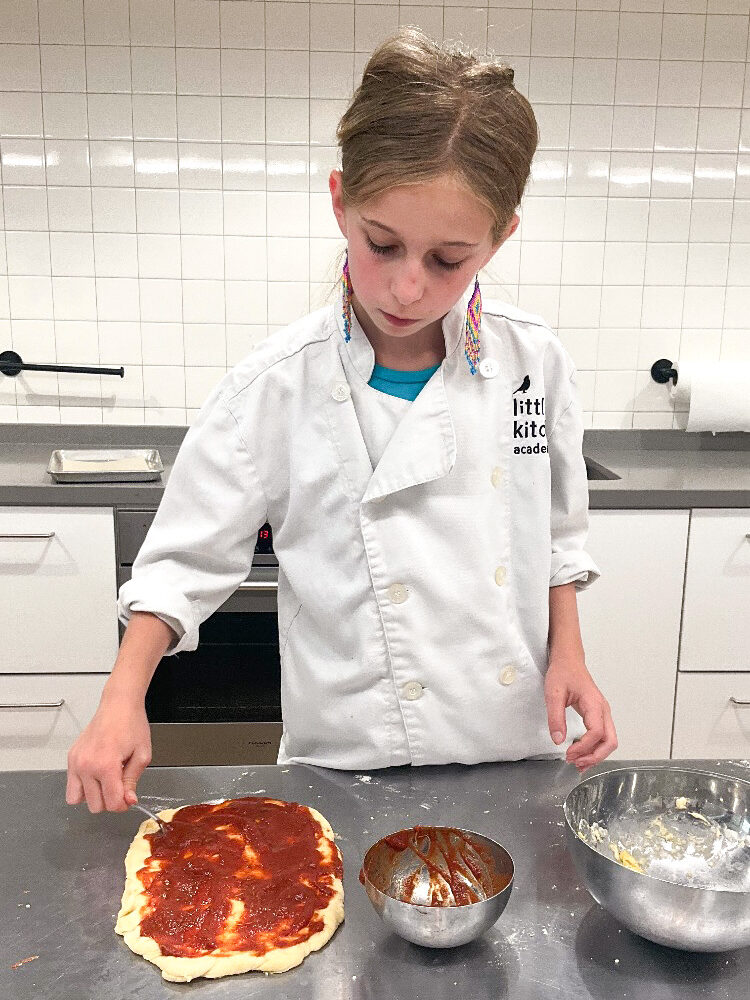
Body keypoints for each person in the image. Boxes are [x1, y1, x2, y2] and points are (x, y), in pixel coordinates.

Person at [67, 27, 617, 815]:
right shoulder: (275, 385)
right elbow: (180, 564)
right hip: (347, 759)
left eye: (447, 260)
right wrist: (123, 696)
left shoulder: (536, 363)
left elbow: (559, 539)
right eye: (382, 243)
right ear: (339, 203)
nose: (404, 286)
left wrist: (571, 653)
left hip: (512, 744)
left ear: (499, 240)